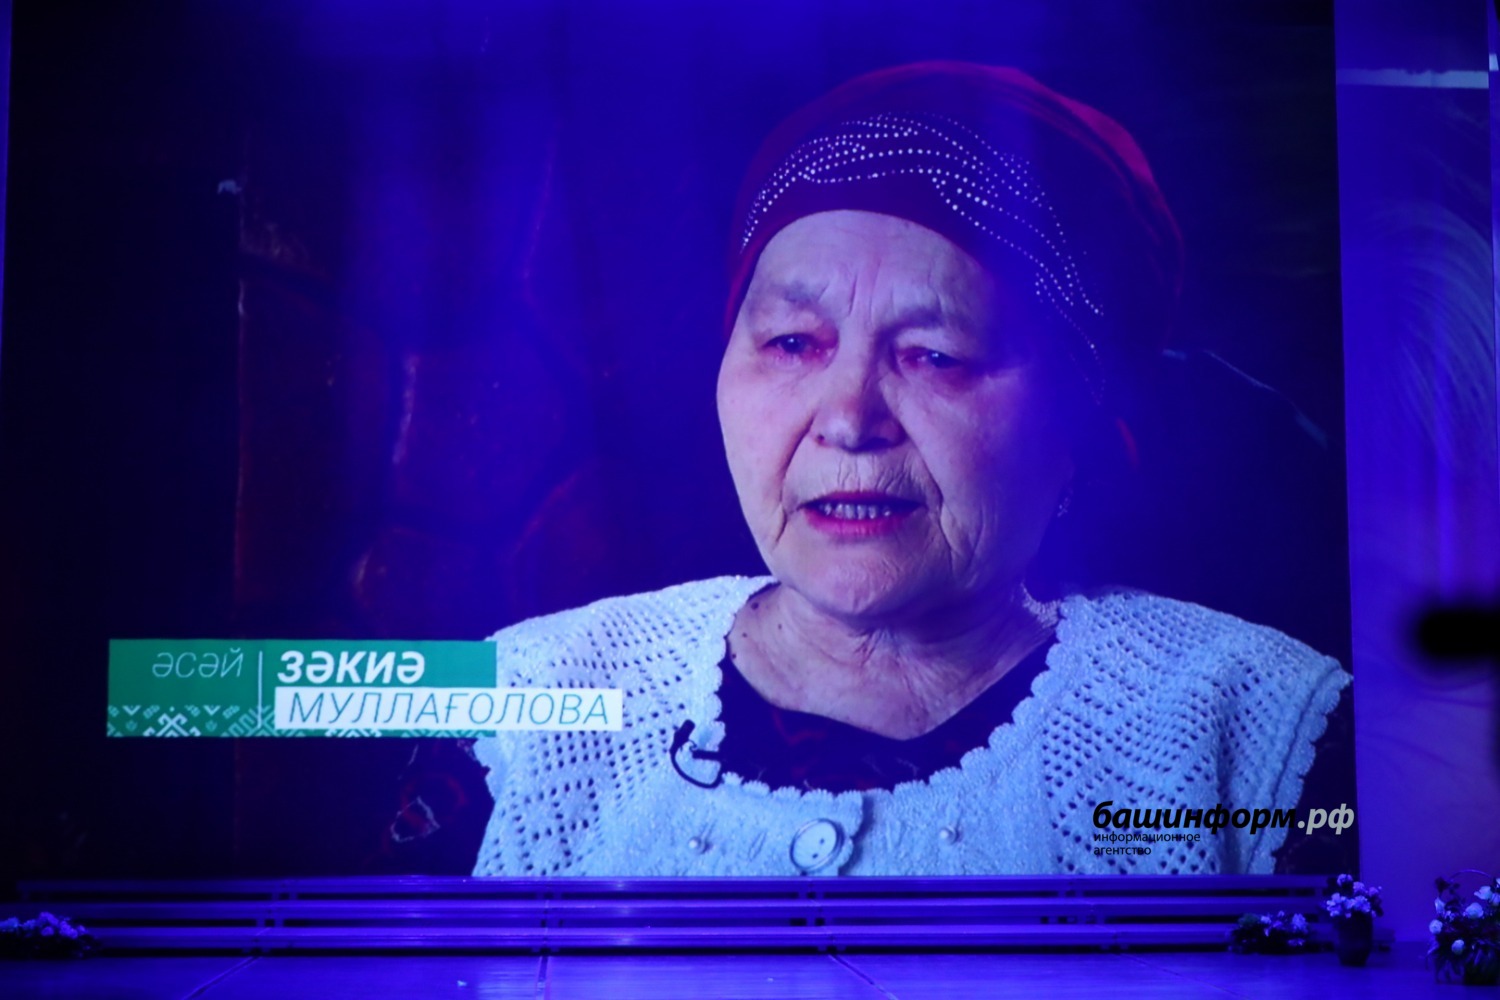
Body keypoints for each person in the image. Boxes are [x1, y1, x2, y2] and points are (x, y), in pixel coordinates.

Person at [470, 62, 1349, 877]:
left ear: (1075, 426)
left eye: (936, 356)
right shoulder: (509, 684)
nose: (849, 419)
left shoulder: (1257, 722)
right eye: (791, 343)